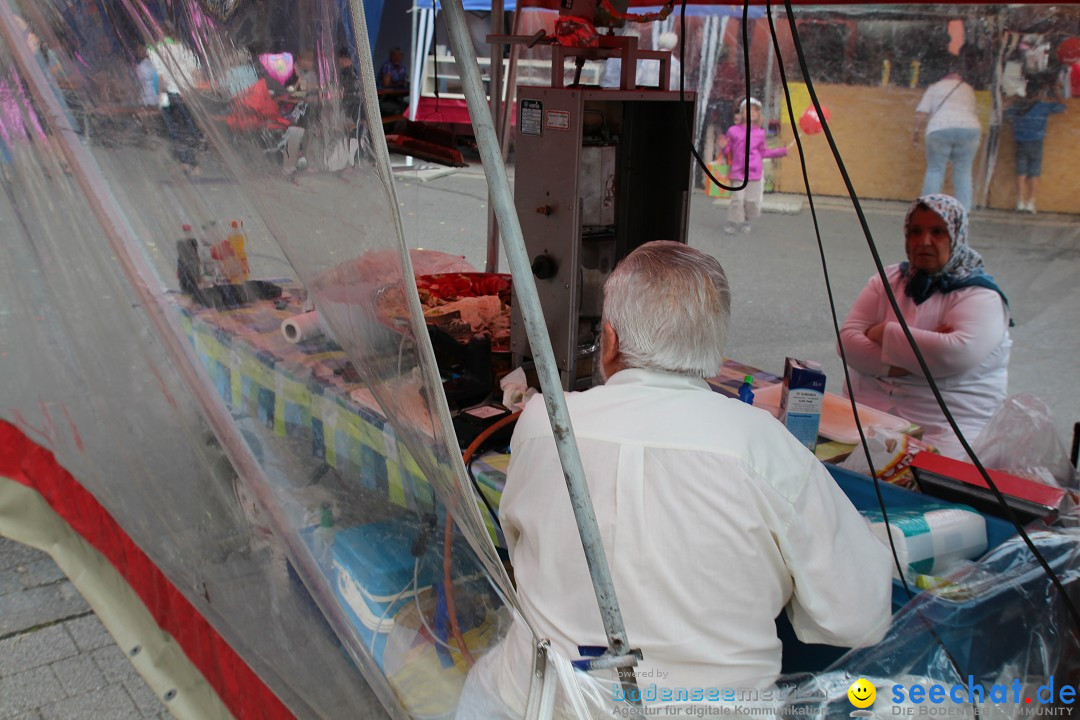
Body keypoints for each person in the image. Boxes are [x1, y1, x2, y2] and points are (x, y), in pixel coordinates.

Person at [458, 241, 893, 717]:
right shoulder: (762, 447)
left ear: (609, 341)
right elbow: (859, 618)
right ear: (714, 349)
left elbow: (521, 550)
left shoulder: (544, 424)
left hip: (535, 703)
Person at [838, 194, 1012, 460]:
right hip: (868, 413)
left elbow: (953, 354)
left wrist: (882, 332)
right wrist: (920, 357)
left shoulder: (980, 295)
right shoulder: (890, 279)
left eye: (938, 232)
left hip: (946, 425)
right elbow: (847, 345)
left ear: (957, 237)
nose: (924, 241)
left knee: (931, 485)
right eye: (915, 231)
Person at [912, 53, 981, 212]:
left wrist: (916, 132)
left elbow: (922, 112)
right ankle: (964, 210)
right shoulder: (968, 89)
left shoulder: (935, 88)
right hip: (969, 129)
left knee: (935, 169)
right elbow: (974, 111)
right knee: (963, 171)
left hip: (940, 128)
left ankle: (929, 208)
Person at [719, 97, 788, 235]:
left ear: (759, 114)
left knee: (751, 201)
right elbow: (728, 151)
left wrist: (781, 151)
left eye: (755, 110)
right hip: (738, 171)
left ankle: (747, 221)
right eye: (748, 109)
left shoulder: (760, 133)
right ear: (742, 112)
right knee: (737, 199)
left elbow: (763, 152)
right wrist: (723, 147)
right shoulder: (733, 130)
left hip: (754, 172)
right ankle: (732, 223)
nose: (752, 113)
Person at [1004, 75, 1066, 214]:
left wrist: (1013, 98)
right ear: (1038, 93)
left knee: (1021, 172)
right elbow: (1062, 107)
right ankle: (1031, 202)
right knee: (1034, 173)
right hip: (1036, 142)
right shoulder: (1043, 107)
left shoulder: (1018, 107)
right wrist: (1055, 93)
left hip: (1020, 142)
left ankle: (1020, 202)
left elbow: (1005, 113)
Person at [147, 32, 203, 174]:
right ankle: (193, 164)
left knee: (173, 128)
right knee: (188, 127)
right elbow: (198, 74)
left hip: (167, 94)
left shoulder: (157, 49)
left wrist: (160, 94)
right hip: (186, 95)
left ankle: (184, 161)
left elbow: (160, 77)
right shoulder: (187, 51)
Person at [377, 47, 408, 117]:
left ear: (402, 56)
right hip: (384, 97)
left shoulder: (402, 67)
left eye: (399, 56)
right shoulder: (387, 65)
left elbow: (405, 80)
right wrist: (399, 83)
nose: (397, 58)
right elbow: (386, 84)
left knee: (407, 107)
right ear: (391, 56)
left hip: (396, 96)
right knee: (401, 109)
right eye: (394, 55)